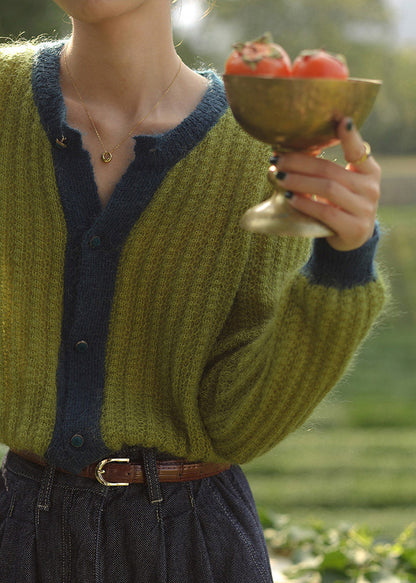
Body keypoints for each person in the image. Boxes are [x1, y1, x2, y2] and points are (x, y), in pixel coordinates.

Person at [0, 1, 386, 581]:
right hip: (18, 530)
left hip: (195, 545)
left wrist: (343, 267)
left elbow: (238, 422)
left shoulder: (260, 152)